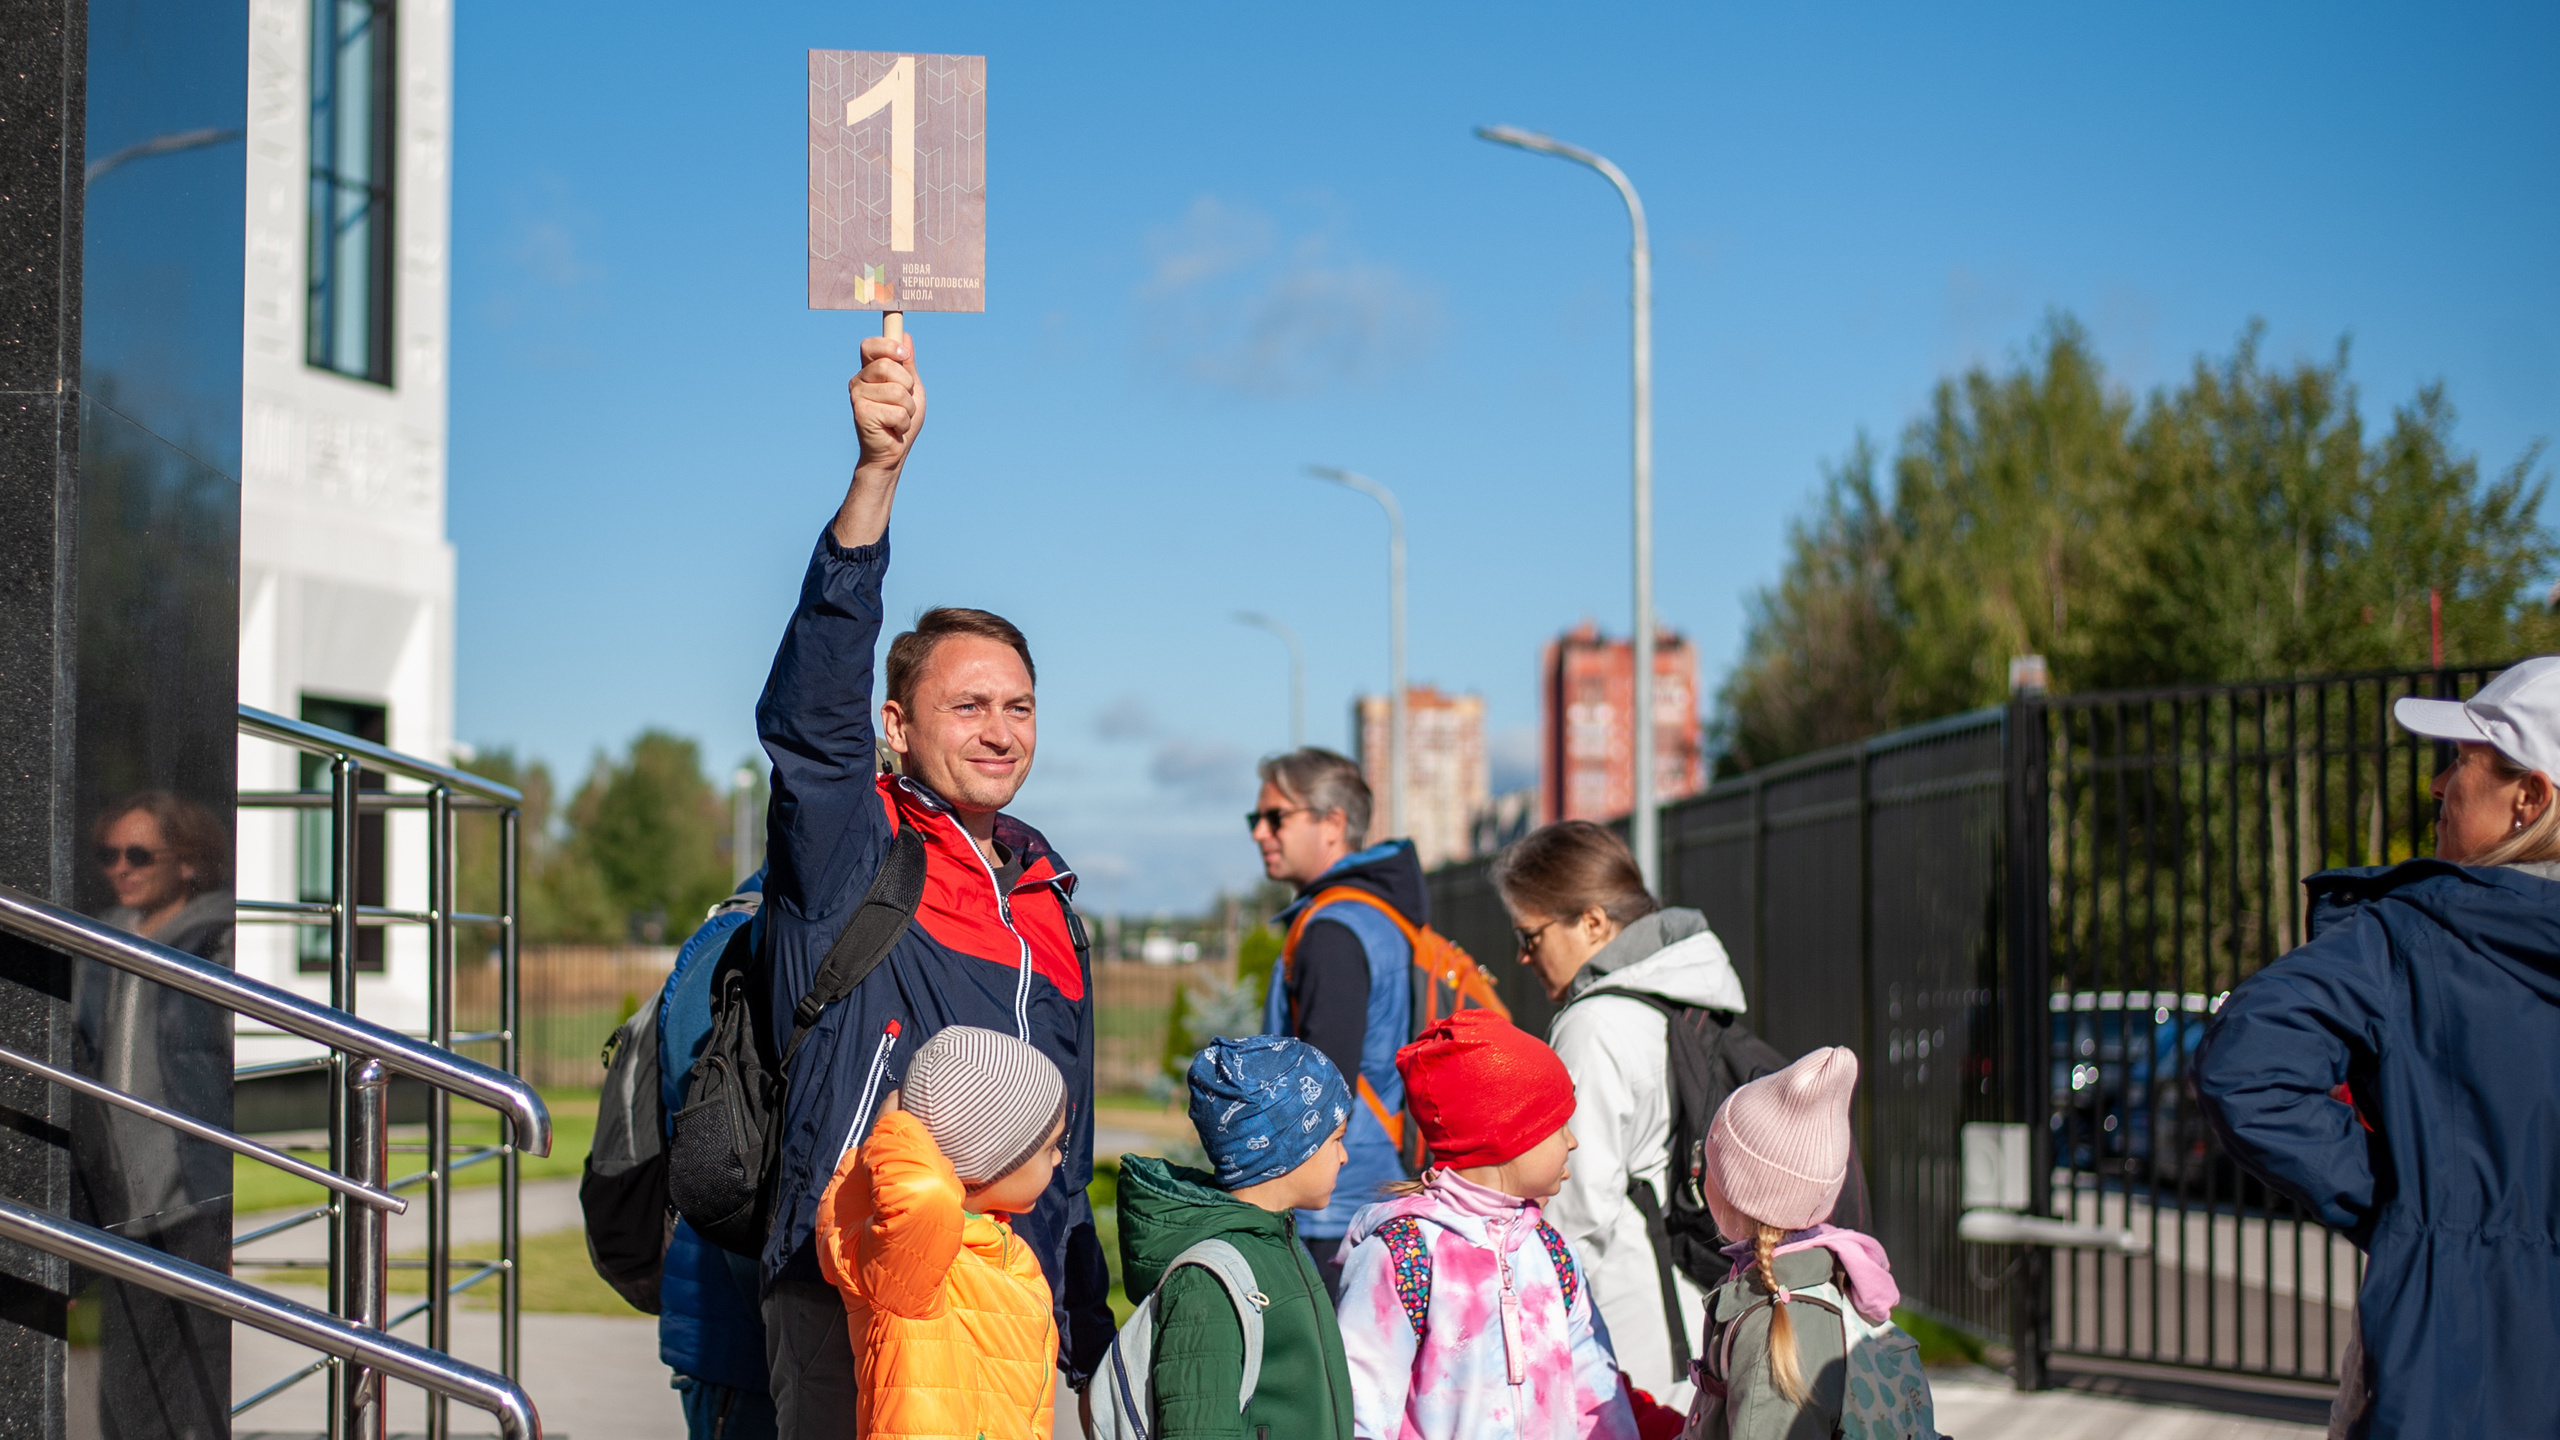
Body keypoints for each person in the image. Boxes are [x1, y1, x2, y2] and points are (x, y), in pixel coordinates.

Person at [752, 332, 1111, 1435]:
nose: (999, 731)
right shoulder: (851, 848)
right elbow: (811, 714)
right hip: (856, 1291)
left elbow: (1068, 1136)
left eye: (1018, 706)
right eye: (968, 706)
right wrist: (878, 479)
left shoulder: (1047, 892)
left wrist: (1083, 1312)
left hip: (1006, 1302)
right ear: (896, 728)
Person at [2194, 657, 2560, 1440]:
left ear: (2529, 798)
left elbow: (2246, 1066)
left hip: (2447, 1378)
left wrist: (2412, 1206)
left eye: (2462, 761)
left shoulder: (2415, 936)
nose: (2438, 785)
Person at [1494, 821, 1863, 1407]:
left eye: (1530, 934)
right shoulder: (1687, 992)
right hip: (1691, 1298)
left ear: (1592, 922)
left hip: (1621, 1322)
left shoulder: (1595, 1026)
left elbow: (1573, 1206)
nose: (1522, 956)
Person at [1335, 1010, 1639, 1440]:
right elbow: (1360, 1412)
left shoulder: (1552, 1253)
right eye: (1558, 1125)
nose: (1572, 1141)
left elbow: (1596, 1399)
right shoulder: (1402, 1257)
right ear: (1507, 1135)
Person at [814, 1026, 1067, 1440]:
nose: (1058, 1159)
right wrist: (895, 1125)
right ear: (987, 1165)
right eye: (1047, 1147)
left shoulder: (982, 1241)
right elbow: (922, 1195)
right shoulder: (913, 1260)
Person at [1114, 1034, 1358, 1439]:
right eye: (1337, 1139)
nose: (1345, 1156)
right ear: (1289, 1149)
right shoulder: (1210, 1279)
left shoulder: (1281, 1242)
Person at [1686, 1048, 1935, 1440]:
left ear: (1740, 1195)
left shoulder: (1772, 1324)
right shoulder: (1831, 1271)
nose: (1701, 1176)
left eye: (1711, 1165)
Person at [1252, 747, 1423, 1293]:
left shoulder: (1333, 932)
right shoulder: (1376, 916)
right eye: (1256, 819)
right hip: (1373, 1189)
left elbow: (1322, 1089)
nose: (1260, 832)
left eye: (1276, 816)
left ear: (1333, 824)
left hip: (1333, 1209)